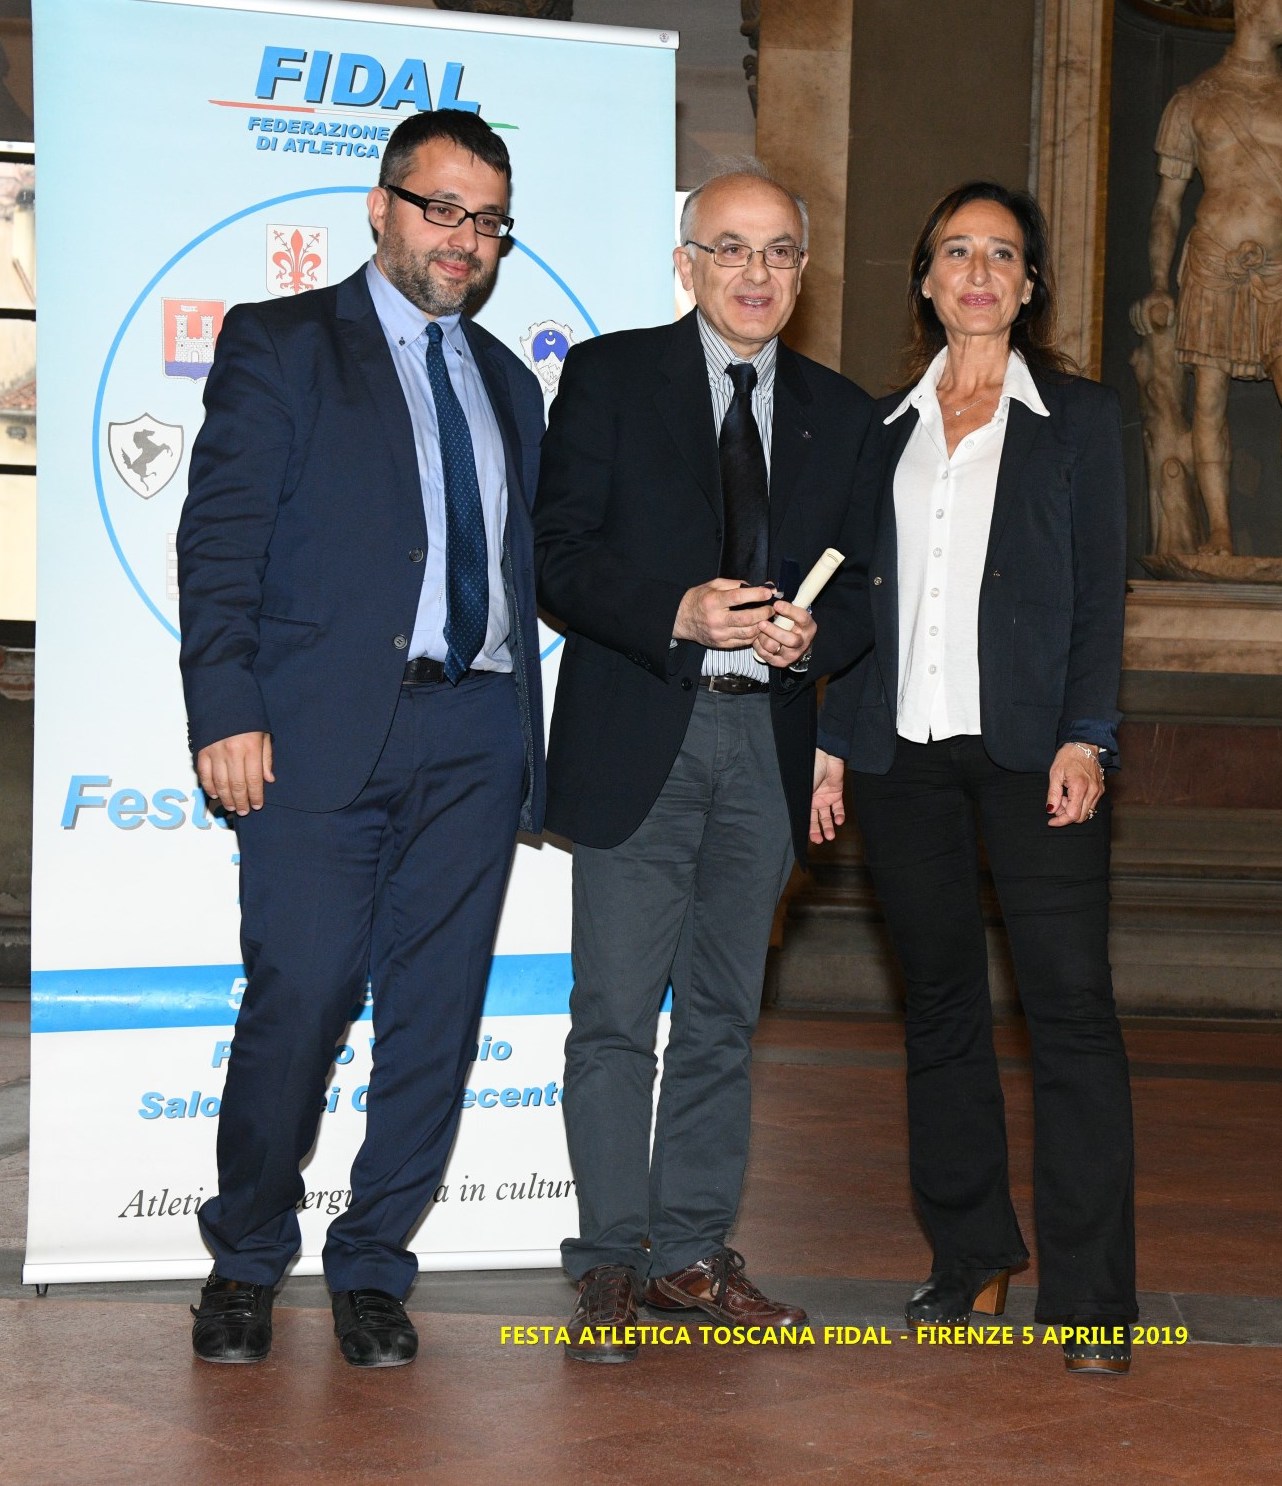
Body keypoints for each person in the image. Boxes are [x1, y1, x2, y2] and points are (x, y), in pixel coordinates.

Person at [176, 109, 545, 1368]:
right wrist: (225, 705)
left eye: (486, 220)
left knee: (436, 1017)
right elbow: (219, 538)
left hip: (478, 731)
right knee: (303, 992)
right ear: (382, 208)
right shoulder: (281, 343)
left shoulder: (508, 383)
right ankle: (244, 1257)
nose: (464, 240)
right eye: (441, 209)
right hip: (317, 733)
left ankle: (376, 1264)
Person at [535, 162, 874, 1363]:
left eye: (778, 251)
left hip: (765, 745)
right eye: (729, 248)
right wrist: (674, 611)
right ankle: (608, 1261)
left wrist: (815, 638)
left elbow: (866, 589)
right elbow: (557, 557)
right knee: (614, 1019)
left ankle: (687, 1254)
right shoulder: (609, 377)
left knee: (723, 1018)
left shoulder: (842, 411)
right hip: (643, 730)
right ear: (687, 264)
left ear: (802, 271)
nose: (755, 272)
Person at [814, 181, 1136, 1375]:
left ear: (1029, 284)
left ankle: (1092, 1298)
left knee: (1071, 1014)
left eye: (1002, 253)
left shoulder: (1080, 418)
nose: (979, 271)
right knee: (941, 1008)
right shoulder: (882, 426)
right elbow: (856, 596)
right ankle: (971, 1254)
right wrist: (833, 738)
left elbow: (1099, 593)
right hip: (902, 757)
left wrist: (1086, 735)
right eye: (956, 250)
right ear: (925, 279)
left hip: (1035, 755)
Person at [1130, 0, 1282, 556]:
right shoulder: (1193, 100)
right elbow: (1166, 206)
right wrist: (1158, 283)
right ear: (1249, 5)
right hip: (1213, 263)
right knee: (1209, 401)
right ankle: (1219, 532)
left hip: (1279, 270)